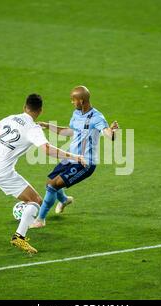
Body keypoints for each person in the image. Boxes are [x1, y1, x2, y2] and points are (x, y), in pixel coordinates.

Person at [0, 94, 85, 254]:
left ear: (24, 107)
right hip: (1, 172)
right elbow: (47, 150)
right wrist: (74, 157)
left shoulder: (12, 118)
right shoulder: (33, 129)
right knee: (35, 200)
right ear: (40, 111)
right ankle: (19, 236)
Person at [30, 86, 119, 228]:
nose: (72, 102)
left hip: (85, 163)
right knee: (49, 182)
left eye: (74, 99)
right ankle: (64, 200)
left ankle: (40, 220)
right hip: (71, 158)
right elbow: (69, 131)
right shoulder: (76, 113)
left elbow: (108, 134)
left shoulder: (97, 117)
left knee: (53, 186)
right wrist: (48, 126)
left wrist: (113, 131)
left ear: (82, 101)